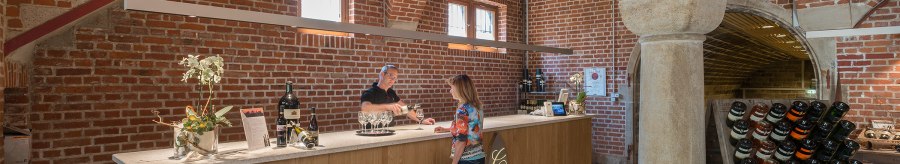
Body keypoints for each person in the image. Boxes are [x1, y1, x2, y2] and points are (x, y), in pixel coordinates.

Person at [360, 65, 435, 126]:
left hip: (390, 131)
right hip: (373, 133)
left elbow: (405, 109)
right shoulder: (369, 92)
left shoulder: (391, 92)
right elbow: (365, 109)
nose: (393, 79)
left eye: (395, 77)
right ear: (382, 74)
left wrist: (422, 120)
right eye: (391, 75)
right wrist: (388, 106)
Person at [434, 75, 485, 164]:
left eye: (452, 88)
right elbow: (471, 129)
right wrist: (447, 129)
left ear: (460, 89)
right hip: (480, 157)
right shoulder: (477, 106)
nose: (450, 91)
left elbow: (461, 140)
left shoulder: (462, 110)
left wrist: (454, 162)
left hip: (466, 159)